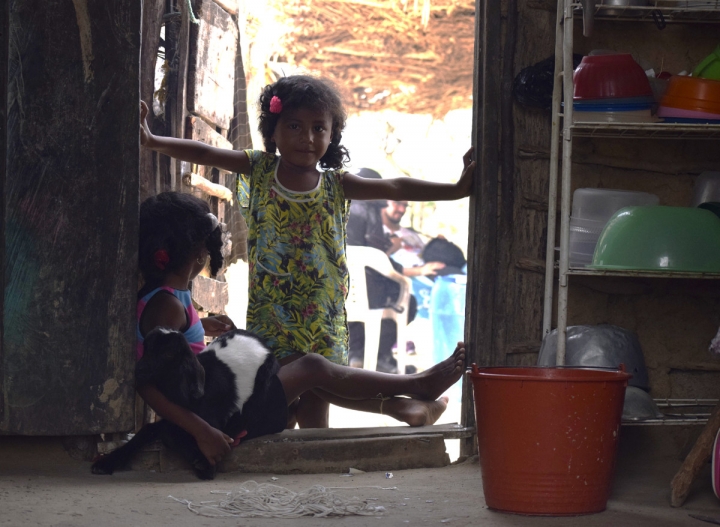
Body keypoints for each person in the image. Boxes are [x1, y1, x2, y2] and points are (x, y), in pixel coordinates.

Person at [139, 74, 475, 429]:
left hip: (322, 311)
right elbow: (205, 152)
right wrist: (152, 140)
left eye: (319, 128)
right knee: (284, 393)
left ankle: (362, 436)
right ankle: (402, 405)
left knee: (316, 400)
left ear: (332, 136)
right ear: (274, 130)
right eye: (295, 126)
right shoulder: (260, 169)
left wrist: (455, 190)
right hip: (273, 310)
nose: (308, 138)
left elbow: (393, 184)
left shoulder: (337, 185)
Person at [136, 191, 466, 467]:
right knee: (311, 367)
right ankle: (417, 385)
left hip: (219, 405)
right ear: (198, 252)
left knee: (294, 360)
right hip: (218, 422)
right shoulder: (165, 305)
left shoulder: (170, 297)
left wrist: (200, 327)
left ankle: (402, 406)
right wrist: (202, 432)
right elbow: (149, 384)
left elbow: (175, 348)